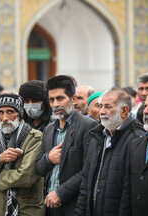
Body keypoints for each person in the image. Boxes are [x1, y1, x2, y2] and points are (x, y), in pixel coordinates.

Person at [74, 89, 145, 216]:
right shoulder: (97, 136)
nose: (101, 112)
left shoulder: (137, 139)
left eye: (107, 107)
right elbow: (86, 182)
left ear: (124, 111)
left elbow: (135, 191)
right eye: (100, 106)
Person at [36, 75, 98, 216]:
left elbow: (89, 170)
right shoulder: (49, 129)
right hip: (49, 206)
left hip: (74, 205)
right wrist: (48, 159)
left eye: (60, 98)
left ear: (73, 99)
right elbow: (39, 168)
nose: (56, 104)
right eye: (51, 100)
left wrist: (60, 193)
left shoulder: (88, 126)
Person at [0, 93, 43, 216]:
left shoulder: (34, 138)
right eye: (0, 112)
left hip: (26, 209)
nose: (5, 117)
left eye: (10, 112)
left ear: (20, 114)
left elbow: (26, 177)